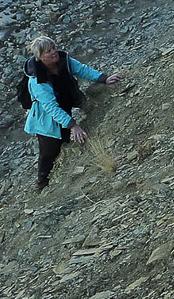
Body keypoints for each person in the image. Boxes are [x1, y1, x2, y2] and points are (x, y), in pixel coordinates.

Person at [22, 35, 123, 191]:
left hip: (64, 104)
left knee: (64, 140)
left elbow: (83, 70)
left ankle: (62, 171)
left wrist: (104, 78)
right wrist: (73, 125)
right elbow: (51, 108)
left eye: (53, 48)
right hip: (46, 121)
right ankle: (42, 183)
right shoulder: (37, 81)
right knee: (49, 151)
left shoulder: (64, 61)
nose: (54, 52)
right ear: (40, 57)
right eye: (48, 51)